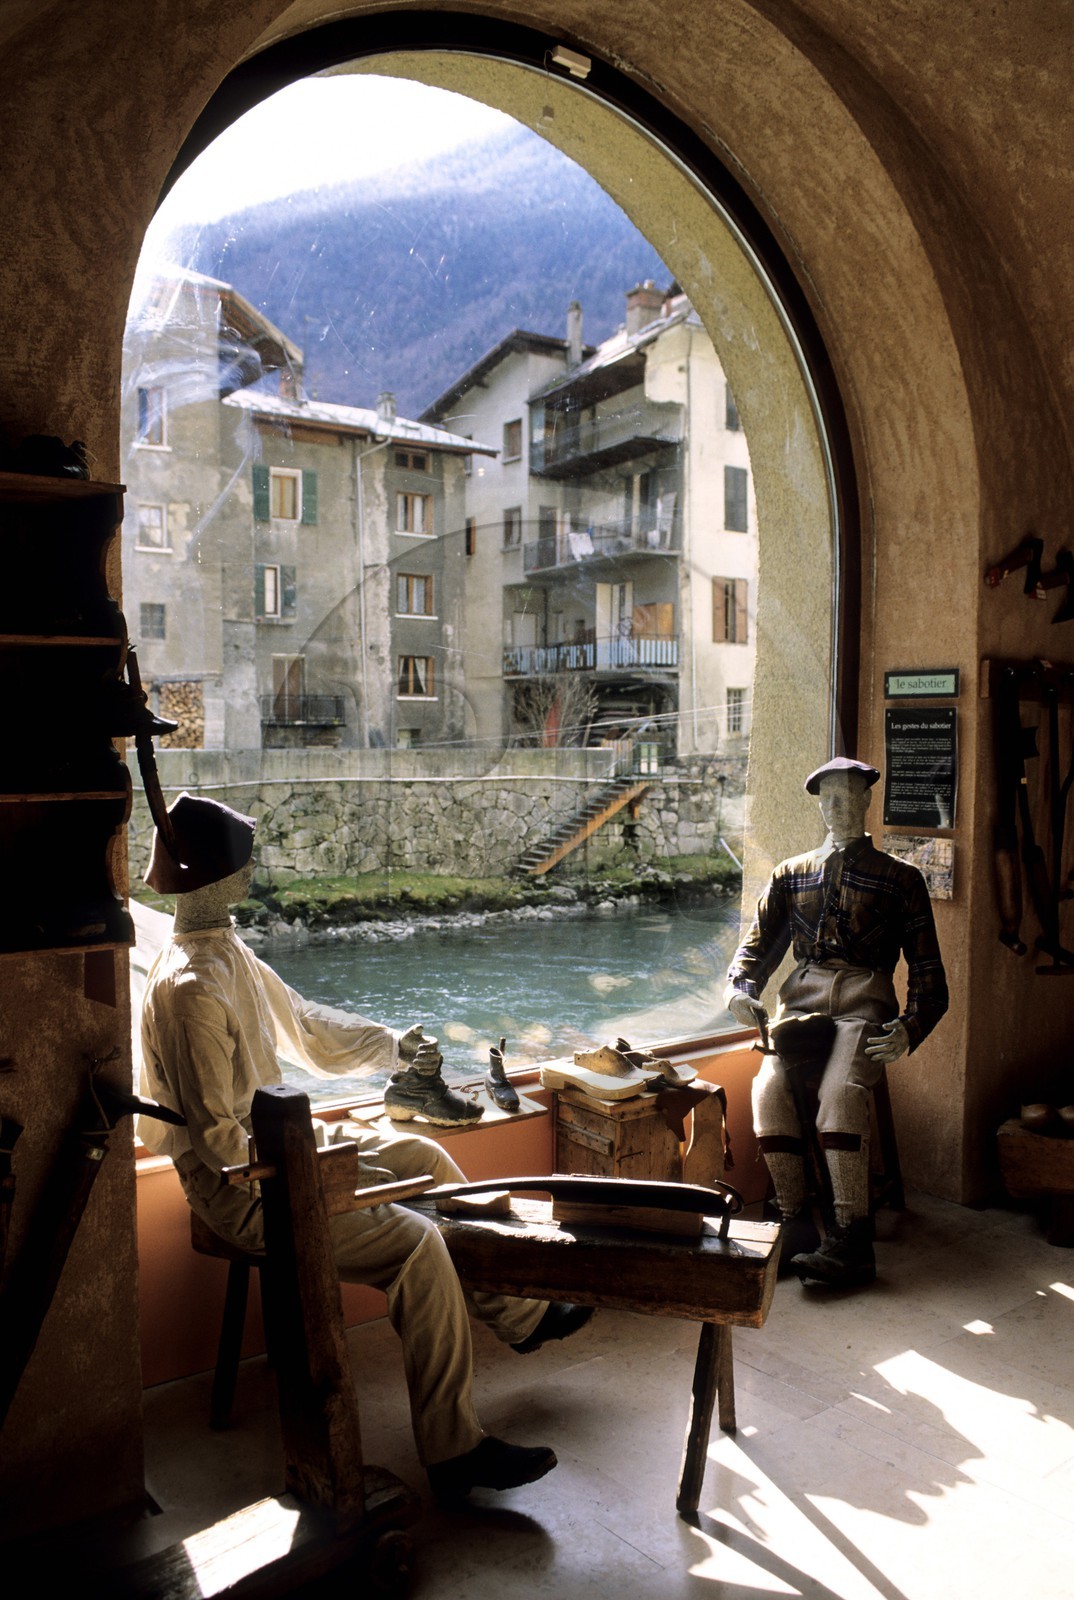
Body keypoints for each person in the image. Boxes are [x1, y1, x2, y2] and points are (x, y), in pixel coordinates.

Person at [138, 792, 592, 1501]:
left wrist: (390, 1046)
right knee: (418, 1244)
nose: (253, 875)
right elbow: (221, 1141)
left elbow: (305, 1023)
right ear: (215, 877)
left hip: (281, 1150)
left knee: (427, 1163)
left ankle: (522, 1318)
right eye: (243, 866)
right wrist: (321, 1178)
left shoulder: (223, 950)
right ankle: (453, 1449)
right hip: (245, 1188)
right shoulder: (191, 986)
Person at [723, 758, 948, 1287]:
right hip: (799, 1002)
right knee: (768, 1091)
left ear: (868, 799)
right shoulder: (791, 873)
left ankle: (852, 1237)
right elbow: (756, 949)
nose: (838, 806)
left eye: (849, 795)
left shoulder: (901, 878)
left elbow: (928, 973)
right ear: (817, 804)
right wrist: (739, 989)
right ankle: (794, 1223)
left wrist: (911, 1027)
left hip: (864, 1000)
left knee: (843, 1092)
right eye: (828, 797)